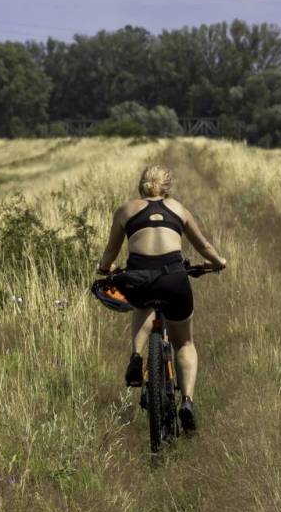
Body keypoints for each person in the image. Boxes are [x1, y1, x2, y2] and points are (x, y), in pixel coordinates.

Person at [95, 164, 227, 431]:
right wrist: (218, 262)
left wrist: (105, 269)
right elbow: (203, 246)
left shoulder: (125, 210)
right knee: (185, 343)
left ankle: (136, 355)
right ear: (168, 188)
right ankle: (187, 401)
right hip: (173, 279)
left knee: (141, 305)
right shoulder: (178, 209)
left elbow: (110, 251)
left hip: (139, 279)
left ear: (141, 186)